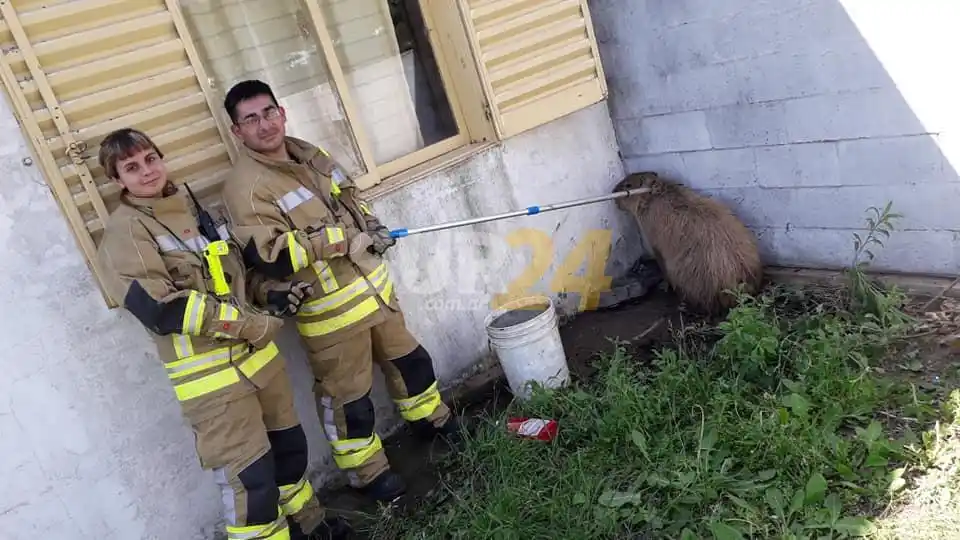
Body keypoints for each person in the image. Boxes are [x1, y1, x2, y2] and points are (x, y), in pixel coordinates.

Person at [95, 128, 352, 540]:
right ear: (116, 180)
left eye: (150, 159)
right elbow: (163, 308)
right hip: (214, 384)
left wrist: (274, 292)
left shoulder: (192, 209)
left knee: (289, 454)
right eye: (131, 167)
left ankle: (310, 525)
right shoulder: (125, 234)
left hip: (260, 363)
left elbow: (235, 279)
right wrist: (249, 323)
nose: (146, 171)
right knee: (251, 482)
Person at [218, 79, 462, 503]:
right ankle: (368, 474)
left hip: (375, 293)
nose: (264, 125)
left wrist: (372, 226)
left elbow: (350, 198)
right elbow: (268, 256)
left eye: (269, 112)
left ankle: (432, 422)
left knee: (412, 365)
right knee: (350, 402)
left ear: (282, 112)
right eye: (251, 120)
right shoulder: (245, 187)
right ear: (237, 132)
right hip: (331, 315)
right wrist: (333, 241)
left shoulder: (311, 154)